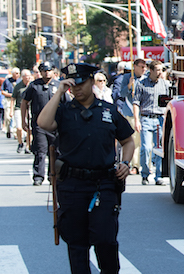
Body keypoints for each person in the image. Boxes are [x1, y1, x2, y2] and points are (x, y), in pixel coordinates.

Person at [37, 63, 134, 274]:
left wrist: (125, 163)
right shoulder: (63, 111)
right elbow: (43, 123)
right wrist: (59, 92)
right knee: (77, 242)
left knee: (105, 238)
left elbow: (128, 140)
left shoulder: (108, 111)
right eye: (73, 86)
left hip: (104, 184)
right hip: (72, 185)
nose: (77, 89)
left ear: (92, 82)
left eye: (81, 84)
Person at [22, 62, 61, 186]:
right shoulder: (34, 86)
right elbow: (24, 102)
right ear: (40, 72)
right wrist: (24, 120)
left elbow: (67, 103)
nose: (47, 72)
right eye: (44, 70)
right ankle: (38, 176)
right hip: (39, 124)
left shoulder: (59, 86)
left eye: (49, 70)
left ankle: (52, 175)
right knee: (40, 151)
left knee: (55, 151)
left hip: (55, 124)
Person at [132, 60, 169, 185]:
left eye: (161, 70)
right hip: (146, 118)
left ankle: (158, 176)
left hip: (160, 119)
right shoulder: (141, 84)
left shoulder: (165, 84)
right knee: (146, 148)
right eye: (158, 70)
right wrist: (137, 120)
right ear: (151, 71)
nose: (160, 73)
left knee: (159, 149)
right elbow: (136, 102)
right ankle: (145, 174)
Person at [119, 59, 146, 175]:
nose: (143, 69)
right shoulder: (127, 77)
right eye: (141, 67)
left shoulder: (146, 79)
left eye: (145, 67)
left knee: (143, 142)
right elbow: (122, 93)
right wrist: (129, 85)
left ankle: (144, 165)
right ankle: (133, 165)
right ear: (135, 67)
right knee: (133, 140)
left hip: (143, 113)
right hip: (130, 112)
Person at [12, 69, 33, 154]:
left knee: (29, 129)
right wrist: (11, 110)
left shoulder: (32, 85)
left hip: (30, 108)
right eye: (26, 76)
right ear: (23, 77)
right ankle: (20, 143)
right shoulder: (18, 86)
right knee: (19, 128)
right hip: (19, 108)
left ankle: (28, 146)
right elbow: (13, 98)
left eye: (29, 76)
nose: (28, 77)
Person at [2, 67, 20, 137]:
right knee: (7, 117)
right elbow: (2, 91)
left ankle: (16, 133)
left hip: (16, 100)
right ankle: (8, 129)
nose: (18, 75)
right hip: (8, 100)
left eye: (18, 73)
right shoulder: (7, 81)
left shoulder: (20, 81)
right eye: (16, 73)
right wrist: (10, 95)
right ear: (12, 74)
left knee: (16, 116)